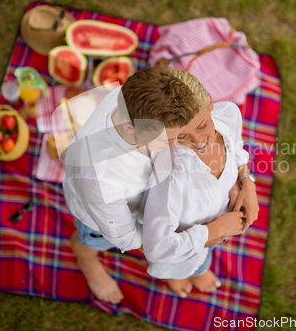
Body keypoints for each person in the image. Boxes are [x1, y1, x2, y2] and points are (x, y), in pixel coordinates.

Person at [62, 67, 246, 303]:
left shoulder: (141, 100)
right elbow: (128, 237)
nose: (178, 146)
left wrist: (236, 181)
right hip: (104, 217)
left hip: (152, 209)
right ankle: (86, 260)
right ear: (132, 129)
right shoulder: (98, 179)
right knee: (93, 240)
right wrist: (179, 246)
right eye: (170, 140)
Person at [142, 72, 259, 298]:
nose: (198, 141)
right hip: (188, 236)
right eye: (182, 136)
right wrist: (214, 230)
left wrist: (246, 182)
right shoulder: (171, 176)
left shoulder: (228, 114)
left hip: (219, 218)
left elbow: (236, 147)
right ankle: (178, 274)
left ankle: (198, 268)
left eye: (202, 125)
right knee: (187, 262)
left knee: (205, 254)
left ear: (209, 101)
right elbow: (158, 247)